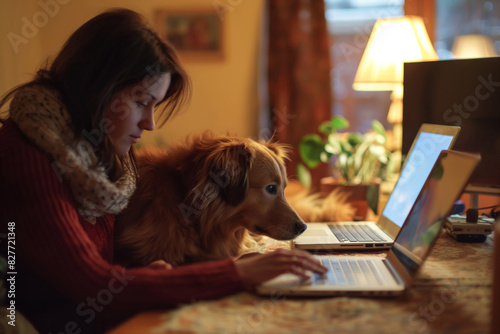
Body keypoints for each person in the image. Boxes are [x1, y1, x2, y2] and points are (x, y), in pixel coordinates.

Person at [0, 8, 326, 333]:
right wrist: (239, 273)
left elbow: (101, 266)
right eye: (141, 101)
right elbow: (94, 287)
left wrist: (151, 276)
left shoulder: (94, 156)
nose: (150, 123)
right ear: (96, 88)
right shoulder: (30, 156)